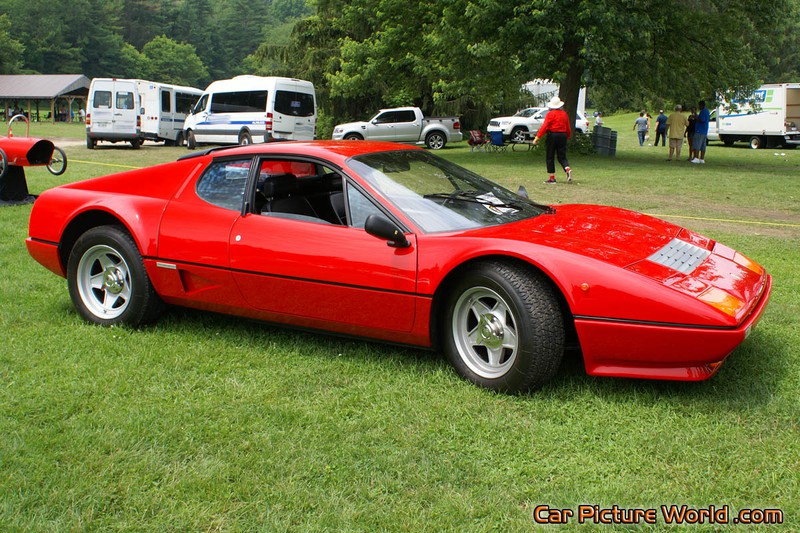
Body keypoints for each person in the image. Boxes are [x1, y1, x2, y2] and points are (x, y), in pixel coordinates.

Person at [532, 96, 572, 184]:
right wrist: (568, 136)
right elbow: (568, 127)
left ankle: (552, 178)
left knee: (550, 156)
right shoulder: (564, 114)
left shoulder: (550, 114)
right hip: (563, 135)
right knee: (562, 156)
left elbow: (544, 127)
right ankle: (567, 168)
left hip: (553, 135)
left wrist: (537, 137)